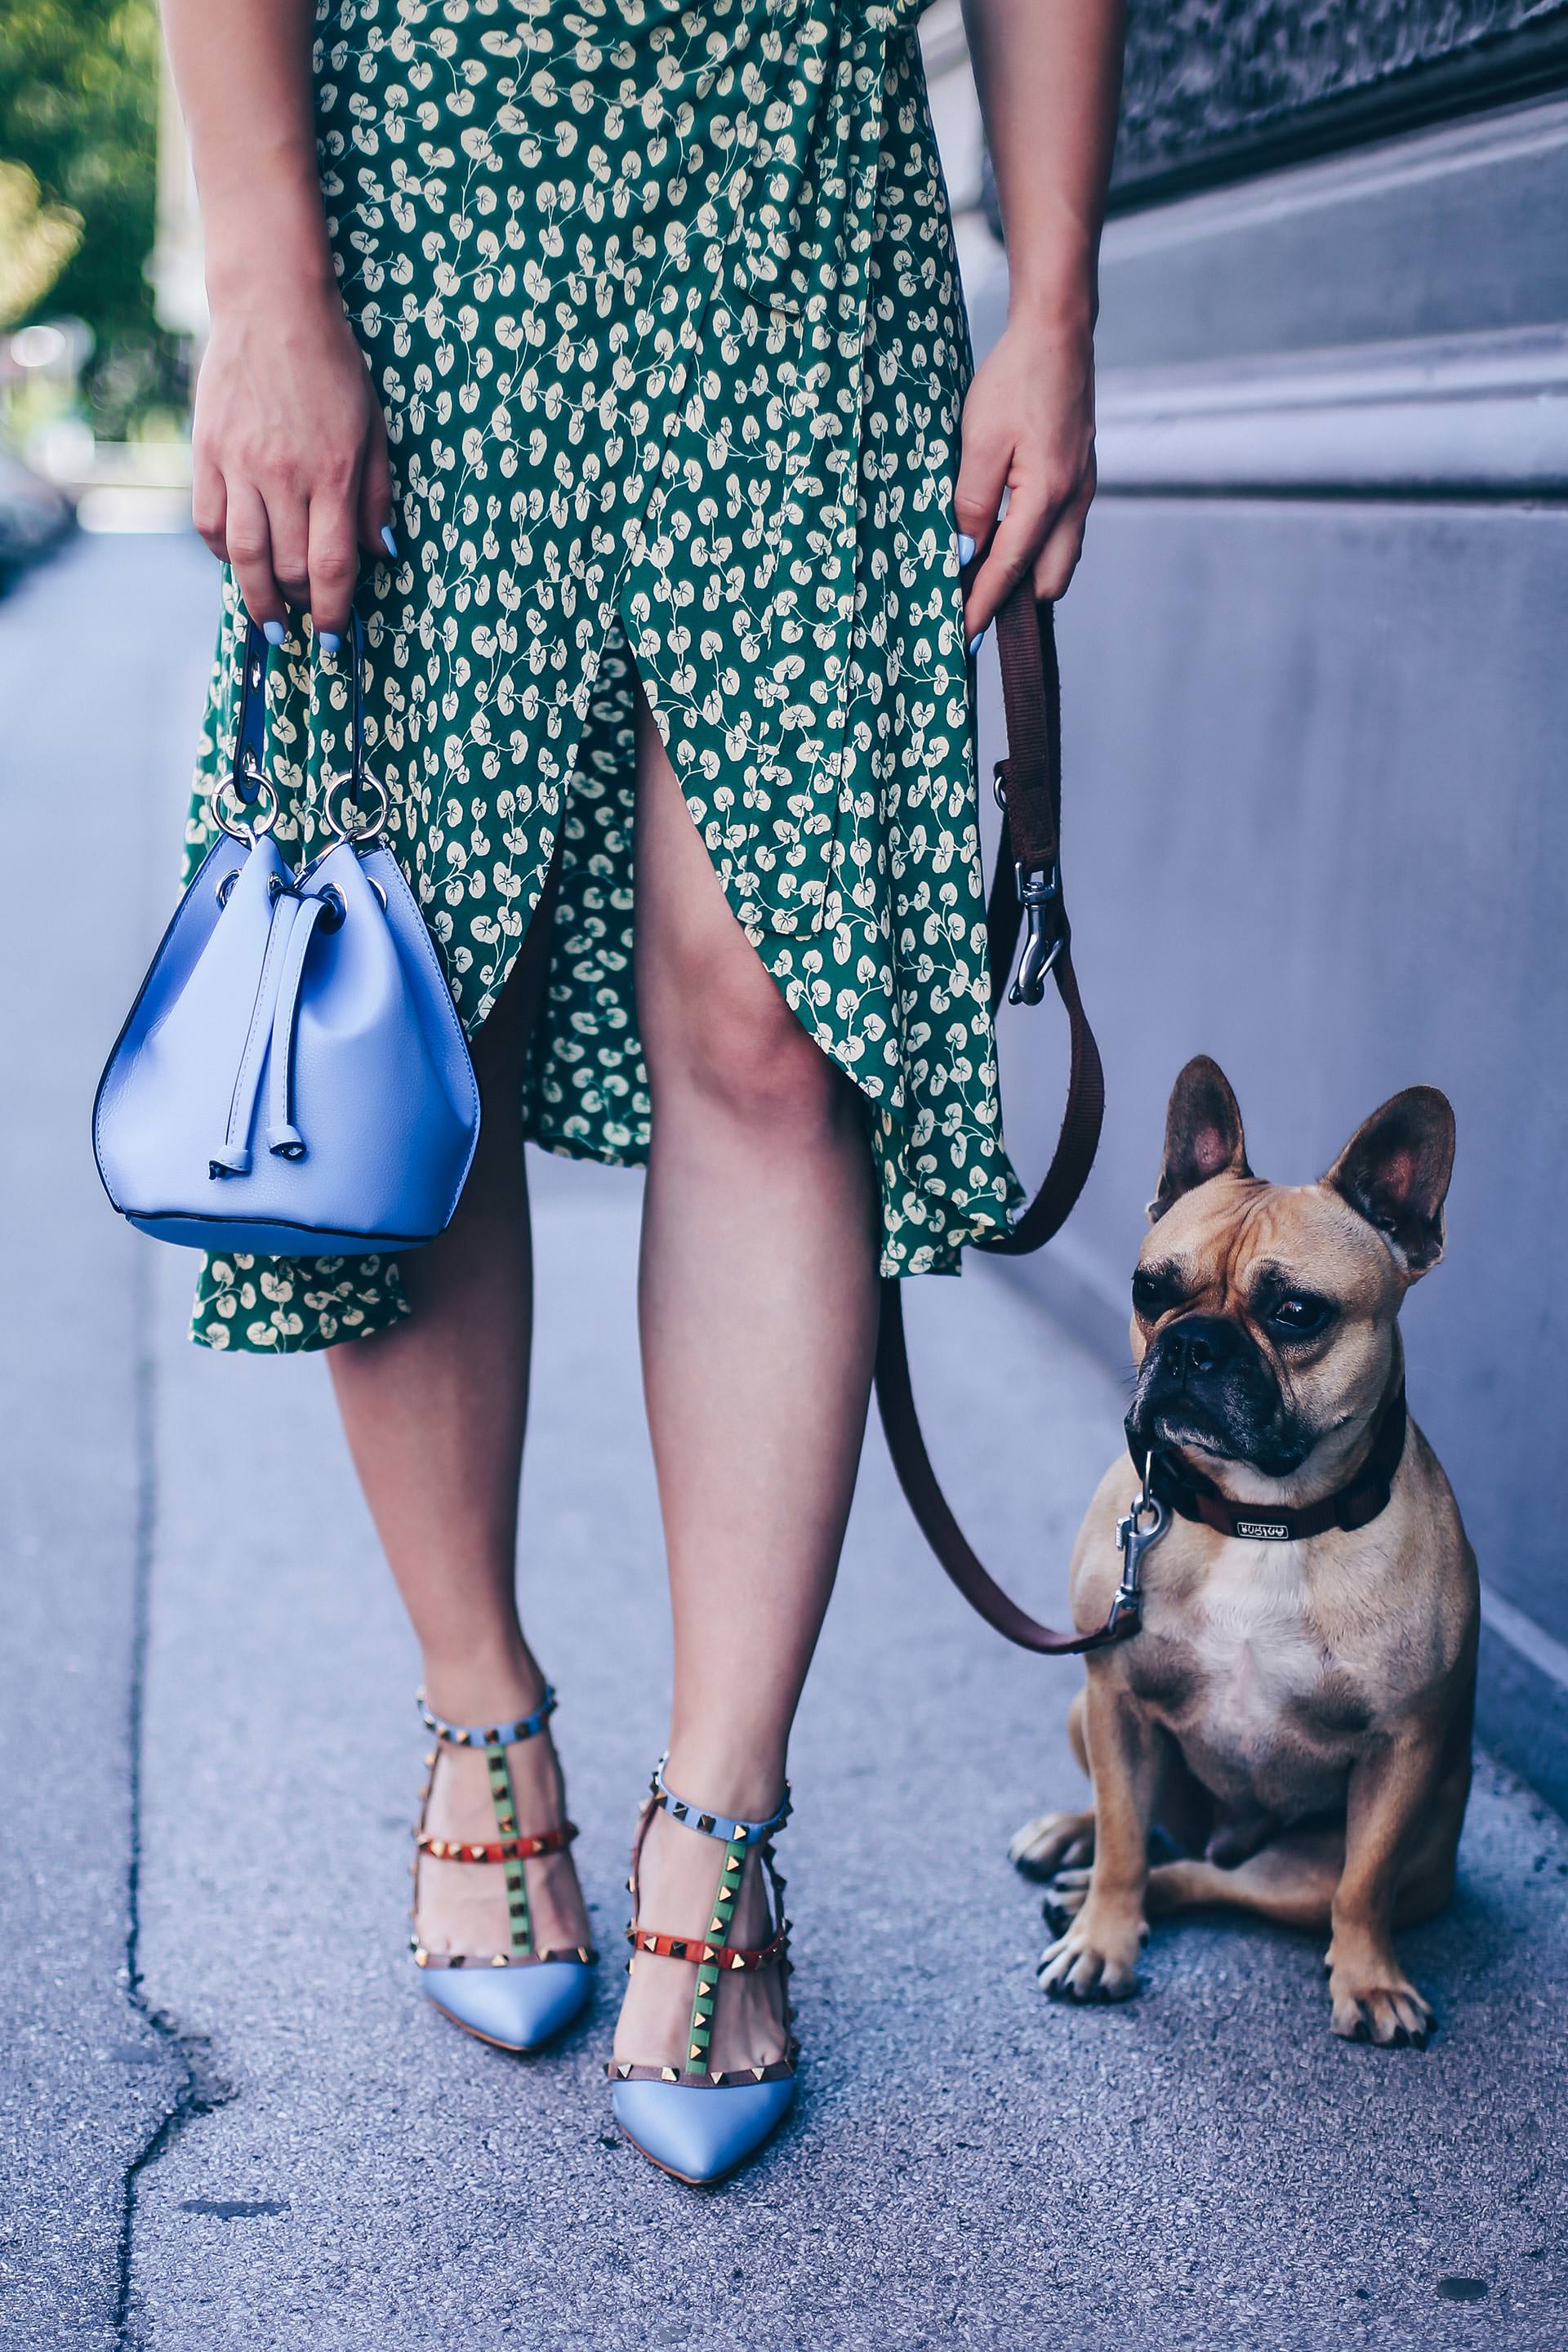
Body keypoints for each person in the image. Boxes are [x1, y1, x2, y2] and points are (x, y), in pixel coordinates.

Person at [162, 0, 1124, 2186]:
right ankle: (481, 1716)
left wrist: (1052, 298)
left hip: (796, 190)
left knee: (773, 1005)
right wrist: (265, 281)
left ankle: (723, 1815)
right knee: (411, 1010)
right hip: (416, 171)